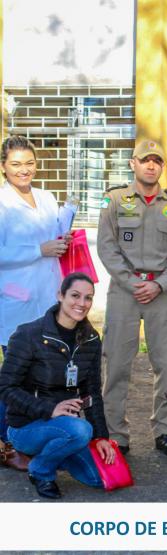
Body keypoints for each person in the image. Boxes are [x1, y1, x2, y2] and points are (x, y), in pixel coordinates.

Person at [96, 139, 167, 457]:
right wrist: (132, 281)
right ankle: (116, 435)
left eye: (157, 161)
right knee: (118, 365)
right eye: (145, 160)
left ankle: (165, 430)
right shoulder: (114, 200)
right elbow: (106, 247)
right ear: (132, 164)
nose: (151, 165)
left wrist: (161, 284)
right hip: (124, 292)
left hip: (161, 294)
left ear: (162, 167)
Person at [0, 273, 117, 498]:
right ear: (60, 295)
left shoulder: (90, 340)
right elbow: (5, 387)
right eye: (75, 295)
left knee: (99, 478)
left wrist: (102, 437)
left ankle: (59, 450)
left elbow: (92, 392)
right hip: (26, 426)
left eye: (88, 298)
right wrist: (50, 409)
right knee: (82, 430)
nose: (82, 304)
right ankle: (41, 469)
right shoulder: (28, 335)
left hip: (64, 427)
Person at [0, 135, 76, 464]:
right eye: (16, 164)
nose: (24, 170)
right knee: (14, 378)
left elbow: (53, 239)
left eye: (29, 163)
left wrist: (63, 239)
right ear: (3, 167)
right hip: (16, 300)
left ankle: (37, 437)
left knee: (45, 375)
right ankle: (7, 443)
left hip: (49, 298)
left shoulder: (46, 197)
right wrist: (38, 250)